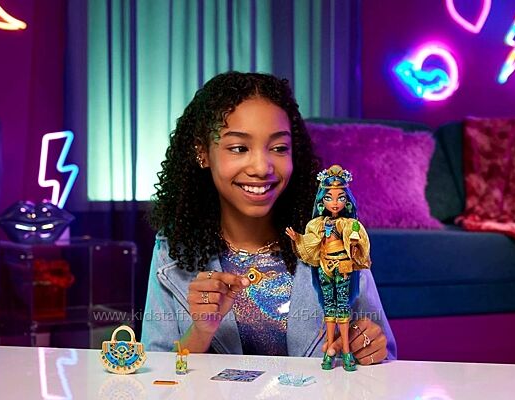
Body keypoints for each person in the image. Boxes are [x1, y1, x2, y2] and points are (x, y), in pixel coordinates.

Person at [141, 71, 396, 364]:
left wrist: (370, 347)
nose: (262, 167)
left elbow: (385, 355)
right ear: (203, 153)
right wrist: (201, 332)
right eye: (239, 148)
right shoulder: (173, 249)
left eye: (278, 148)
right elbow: (156, 373)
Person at [286, 165, 371, 370]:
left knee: (343, 307)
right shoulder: (317, 224)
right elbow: (310, 243)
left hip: (343, 267)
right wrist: (298, 238)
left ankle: (346, 352)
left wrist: (354, 243)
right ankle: (329, 352)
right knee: (329, 307)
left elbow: (359, 242)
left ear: (346, 201)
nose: (334, 203)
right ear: (321, 201)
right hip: (325, 267)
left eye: (340, 198)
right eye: (329, 198)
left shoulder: (349, 223)